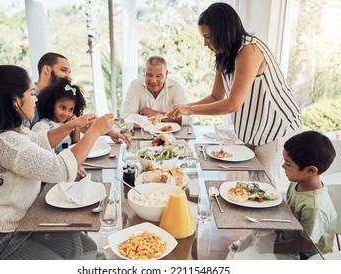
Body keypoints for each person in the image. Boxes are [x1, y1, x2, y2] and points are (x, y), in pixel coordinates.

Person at [0, 65, 114, 259]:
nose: (35, 99)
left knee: (86, 247)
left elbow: (42, 141)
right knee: (72, 260)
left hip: (20, 225)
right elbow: (60, 169)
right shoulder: (7, 143)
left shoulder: (14, 133)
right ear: (15, 101)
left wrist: (73, 124)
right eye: (31, 93)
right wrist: (95, 131)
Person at [166, 3, 302, 190]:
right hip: (253, 129)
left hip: (276, 128)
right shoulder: (224, 53)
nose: (205, 44)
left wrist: (188, 109)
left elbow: (233, 104)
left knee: (264, 188)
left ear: (223, 32)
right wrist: (183, 108)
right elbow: (215, 96)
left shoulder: (249, 50)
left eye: (207, 37)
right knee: (244, 186)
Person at [229, 131, 337, 260]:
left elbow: (305, 244)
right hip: (289, 238)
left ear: (311, 171)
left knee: (249, 257)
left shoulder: (314, 207)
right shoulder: (298, 183)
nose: (283, 166)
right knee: (255, 239)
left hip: (307, 256)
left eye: (288, 164)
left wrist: (271, 246)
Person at [27, 52, 132, 146]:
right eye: (64, 70)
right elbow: (26, 141)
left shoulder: (57, 96)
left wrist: (111, 133)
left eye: (69, 72)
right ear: (47, 70)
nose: (68, 77)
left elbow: (79, 123)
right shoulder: (27, 99)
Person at [121, 56, 192, 126]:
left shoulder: (175, 87)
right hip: (142, 136)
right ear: (144, 72)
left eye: (158, 76)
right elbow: (126, 118)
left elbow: (188, 118)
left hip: (171, 135)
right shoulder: (135, 85)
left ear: (166, 74)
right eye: (149, 75)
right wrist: (167, 117)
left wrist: (155, 114)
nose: (153, 81)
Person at [32, 78, 87, 153]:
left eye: (71, 109)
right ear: (52, 104)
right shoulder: (43, 126)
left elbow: (75, 142)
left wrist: (76, 125)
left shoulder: (65, 123)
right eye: (62, 108)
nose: (66, 113)